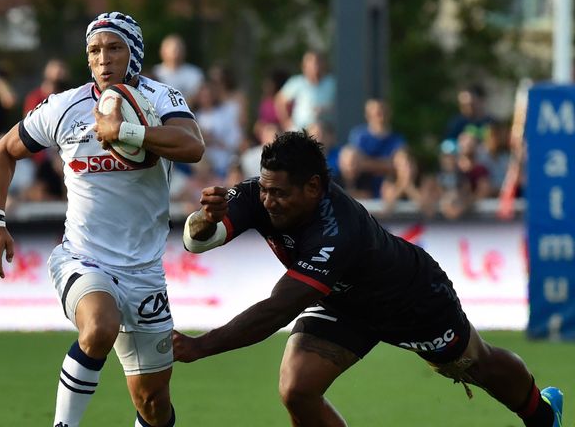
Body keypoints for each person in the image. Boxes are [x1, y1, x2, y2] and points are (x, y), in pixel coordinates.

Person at [173, 130, 563, 427]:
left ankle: (543, 413)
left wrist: (201, 346)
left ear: (313, 187)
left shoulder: (338, 231)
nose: (268, 202)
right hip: (343, 302)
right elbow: (194, 242)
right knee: (297, 388)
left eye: (280, 194)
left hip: (412, 300)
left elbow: (280, 308)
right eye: (265, 190)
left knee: (477, 365)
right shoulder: (262, 192)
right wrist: (206, 220)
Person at [0, 12, 204, 427]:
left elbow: (192, 146)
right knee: (99, 326)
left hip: (144, 271)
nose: (103, 59)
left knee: (152, 405)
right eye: (94, 50)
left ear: (134, 51)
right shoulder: (65, 106)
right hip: (83, 259)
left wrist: (126, 132)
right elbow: (4, 151)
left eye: (114, 47)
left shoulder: (161, 98)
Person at [274, 50, 336, 131]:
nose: (314, 66)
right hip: (299, 129)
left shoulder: (331, 83)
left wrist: (326, 109)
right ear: (304, 66)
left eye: (317, 62)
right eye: (311, 63)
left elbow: (340, 104)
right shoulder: (297, 82)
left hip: (325, 130)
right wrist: (286, 121)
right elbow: (280, 101)